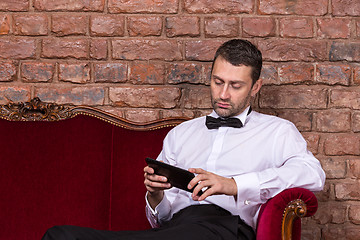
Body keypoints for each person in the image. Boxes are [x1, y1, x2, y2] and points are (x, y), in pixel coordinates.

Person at [42, 39, 326, 240]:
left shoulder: (277, 131)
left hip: (225, 230)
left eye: (235, 85)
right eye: (217, 82)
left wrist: (234, 185)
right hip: (175, 230)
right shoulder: (181, 134)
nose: (223, 94)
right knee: (60, 235)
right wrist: (155, 196)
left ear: (256, 87)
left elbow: (313, 176)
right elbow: (162, 219)